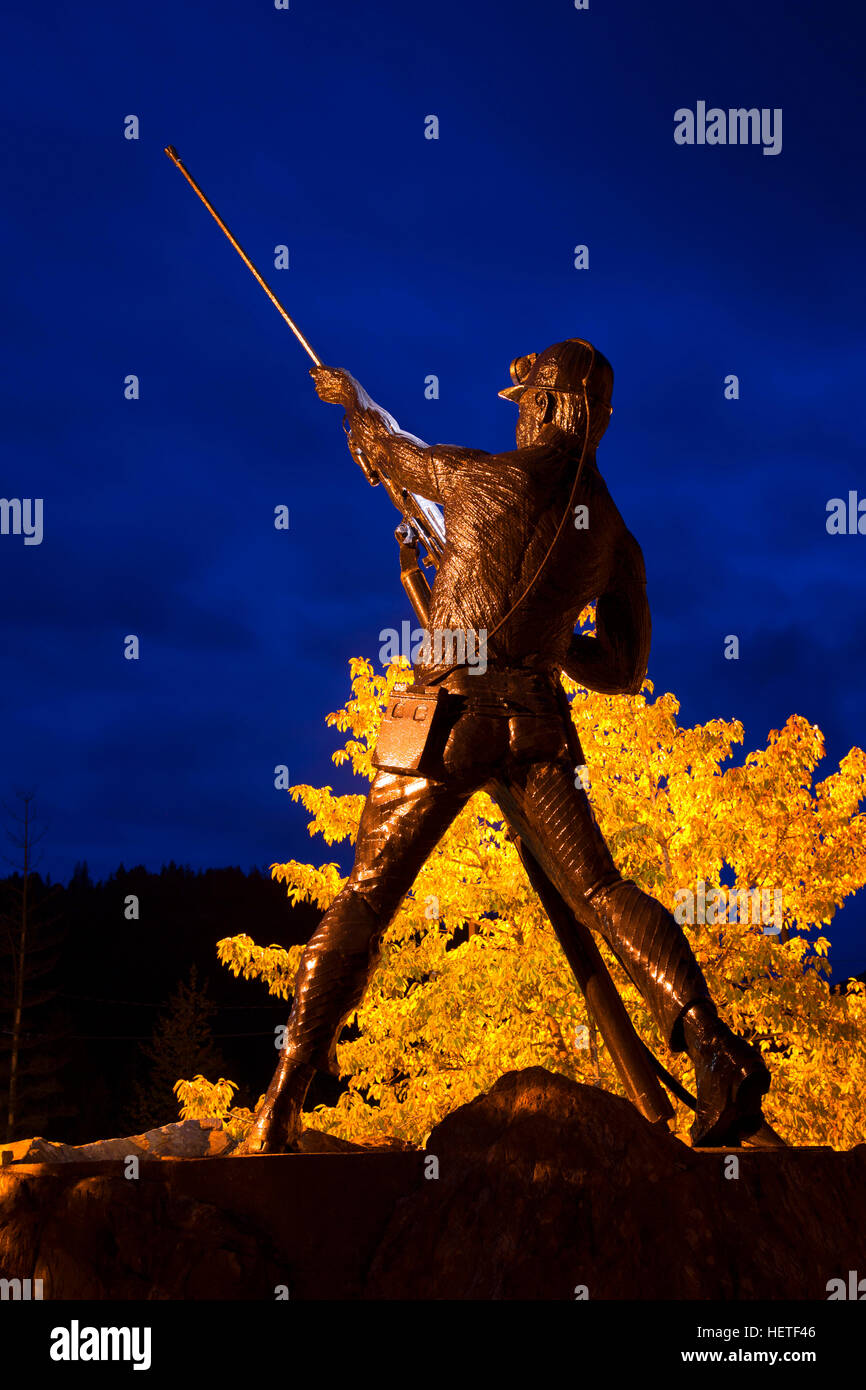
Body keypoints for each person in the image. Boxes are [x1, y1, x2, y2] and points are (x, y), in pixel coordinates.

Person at [238, 338, 770, 1155]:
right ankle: (716, 1054)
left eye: (525, 403)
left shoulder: (483, 479)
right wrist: (552, 647)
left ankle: (281, 1102)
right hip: (536, 730)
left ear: (555, 407)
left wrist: (352, 399)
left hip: (447, 721)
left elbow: (387, 450)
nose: (519, 417)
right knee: (602, 891)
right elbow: (626, 669)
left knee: (369, 898)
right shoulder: (613, 537)